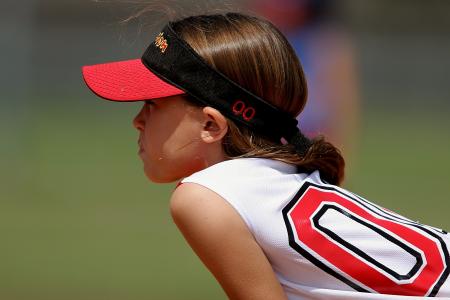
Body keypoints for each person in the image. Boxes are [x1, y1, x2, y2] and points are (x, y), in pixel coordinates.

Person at [82, 12, 450, 299]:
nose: (136, 121)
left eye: (152, 105)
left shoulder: (202, 197)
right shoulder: (280, 174)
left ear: (212, 125)